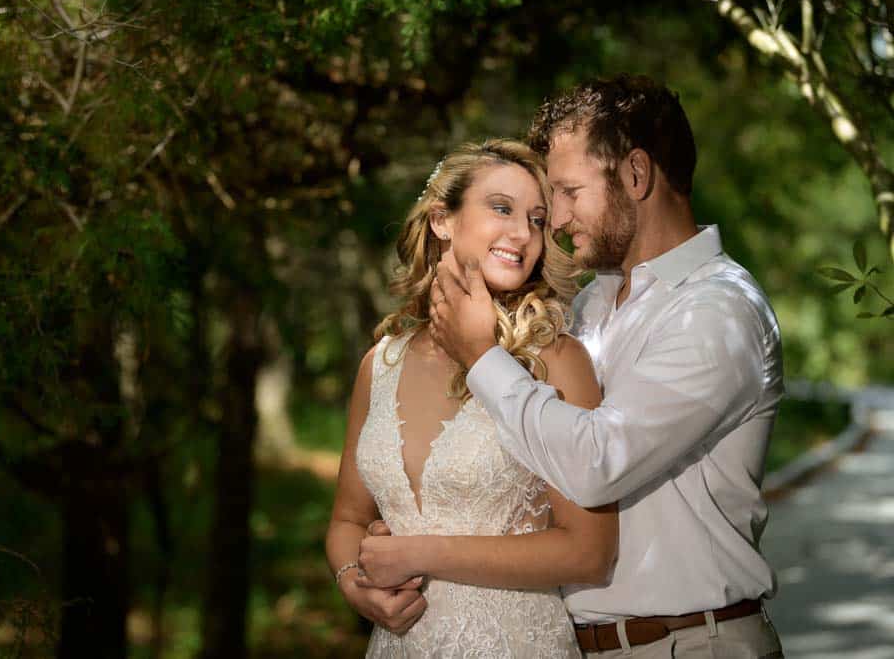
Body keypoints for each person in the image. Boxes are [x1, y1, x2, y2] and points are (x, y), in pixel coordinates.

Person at [428, 75, 785, 657]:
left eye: (569, 192)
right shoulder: (593, 302)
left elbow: (597, 463)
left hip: (694, 642)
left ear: (636, 174)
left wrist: (481, 357)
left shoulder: (719, 311)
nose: (558, 221)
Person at [325, 138, 619, 657]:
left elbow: (589, 551)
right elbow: (348, 519)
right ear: (442, 219)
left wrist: (419, 554)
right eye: (501, 208)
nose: (521, 233)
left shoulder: (556, 361)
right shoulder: (381, 363)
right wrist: (354, 584)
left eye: (536, 219)